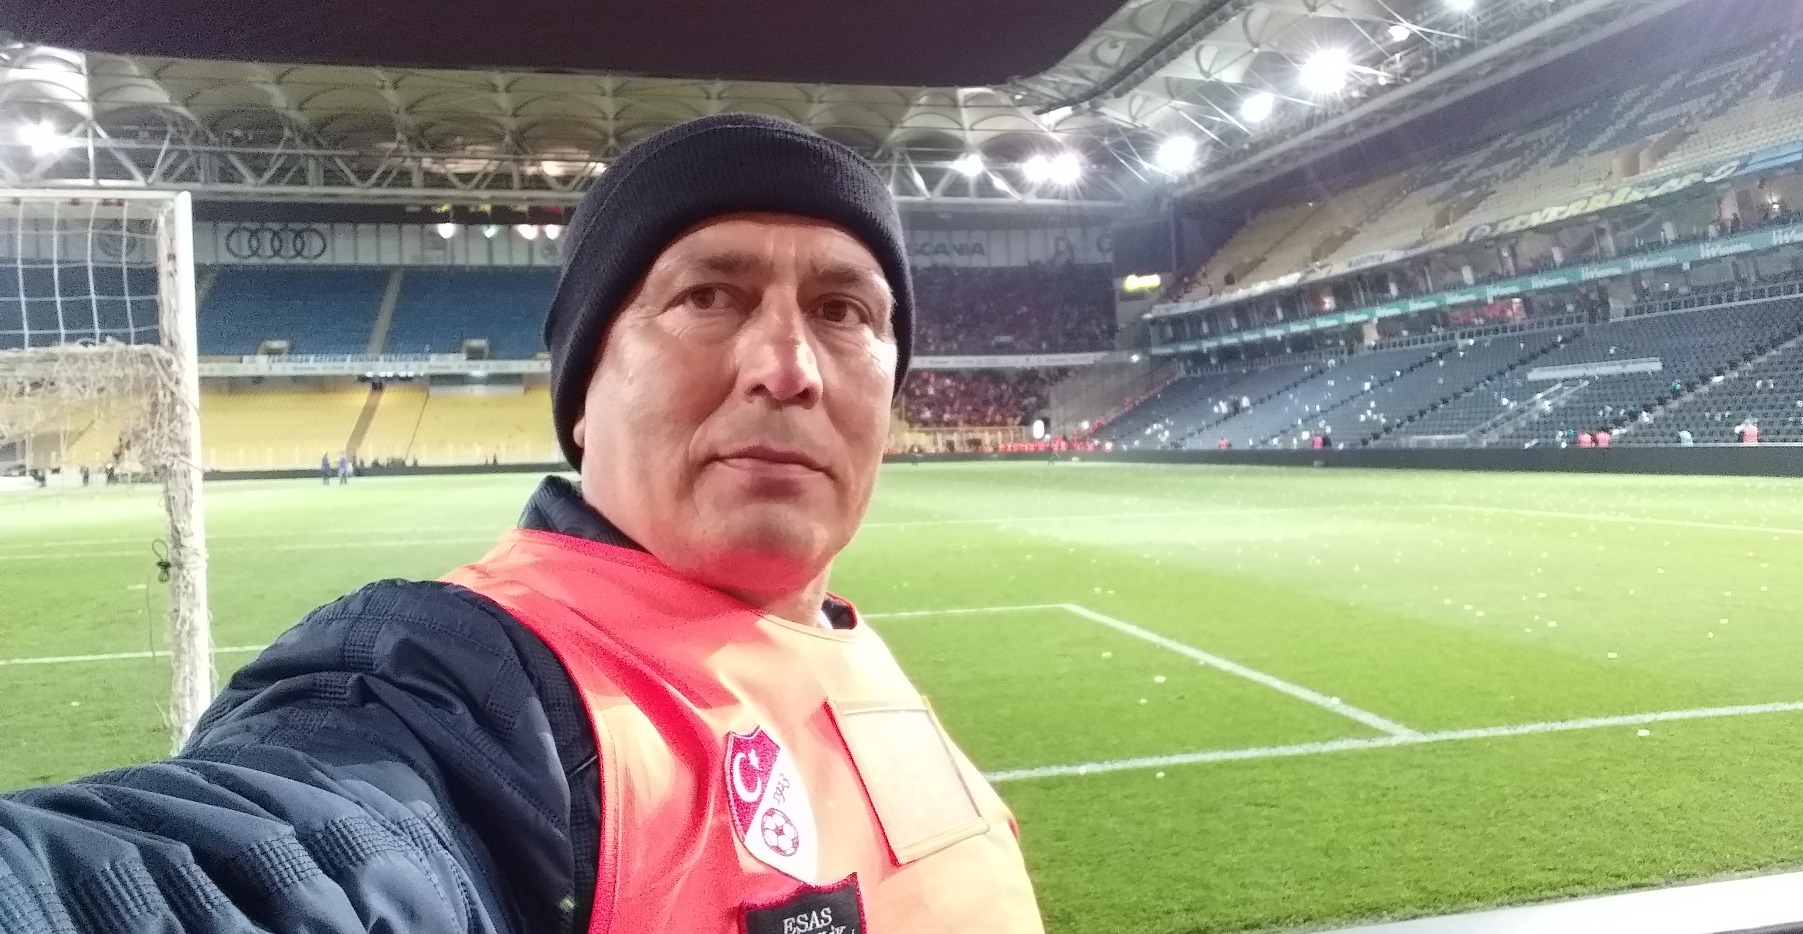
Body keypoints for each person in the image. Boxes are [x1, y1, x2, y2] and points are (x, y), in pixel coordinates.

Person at [0, 114, 1043, 933]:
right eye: (709, 297)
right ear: (583, 394)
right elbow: (265, 865)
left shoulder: (838, 645)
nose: (788, 367)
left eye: (844, 311)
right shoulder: (476, 691)